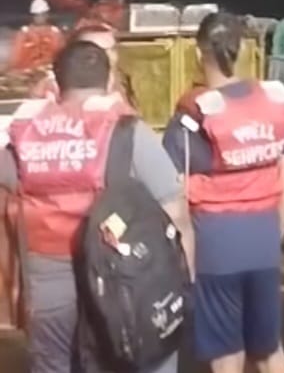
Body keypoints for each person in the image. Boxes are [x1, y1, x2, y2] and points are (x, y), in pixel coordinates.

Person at [0, 40, 194, 373]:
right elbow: (177, 215)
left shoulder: (26, 135)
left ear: (58, 85)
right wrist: (181, 285)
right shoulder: (128, 132)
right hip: (118, 285)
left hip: (48, 288)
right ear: (107, 83)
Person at [162, 12, 284, 373]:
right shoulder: (276, 104)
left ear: (197, 54)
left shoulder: (191, 118)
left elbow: (173, 198)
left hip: (216, 248)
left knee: (227, 356)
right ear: (241, 50)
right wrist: (274, 234)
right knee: (270, 351)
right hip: (264, 242)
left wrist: (186, 258)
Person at [30, 22, 136, 107]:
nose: (109, 55)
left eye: (112, 49)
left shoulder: (123, 80)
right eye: (96, 51)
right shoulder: (52, 87)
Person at [8, 0, 64, 74]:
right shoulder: (23, 33)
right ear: (33, 16)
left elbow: (61, 57)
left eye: (42, 14)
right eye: (37, 15)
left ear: (47, 15)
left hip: (49, 74)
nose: (40, 17)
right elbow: (15, 58)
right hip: (26, 75)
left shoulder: (55, 33)